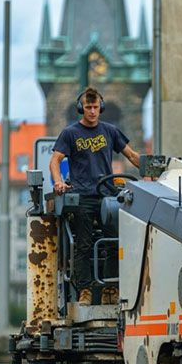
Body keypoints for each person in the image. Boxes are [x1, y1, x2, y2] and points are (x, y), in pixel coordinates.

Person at [50, 87, 140, 306]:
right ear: (81, 108)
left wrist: (152, 172)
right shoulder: (70, 133)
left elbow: (131, 155)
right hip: (81, 196)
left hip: (107, 195)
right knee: (83, 245)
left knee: (112, 242)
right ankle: (85, 291)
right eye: (88, 107)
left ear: (101, 108)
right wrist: (59, 182)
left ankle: (110, 288)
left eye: (95, 107)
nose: (92, 111)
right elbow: (55, 161)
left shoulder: (110, 131)